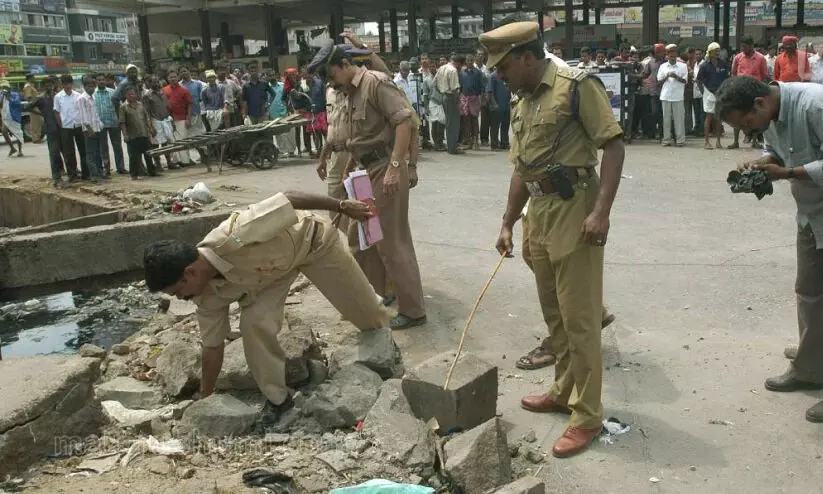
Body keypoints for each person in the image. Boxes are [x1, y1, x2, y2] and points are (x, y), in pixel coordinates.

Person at [481, 21, 625, 458]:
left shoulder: (576, 86)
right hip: (538, 215)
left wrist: (601, 213)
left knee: (580, 318)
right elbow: (522, 167)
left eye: (503, 66)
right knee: (556, 316)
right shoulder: (522, 98)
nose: (499, 75)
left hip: (574, 208)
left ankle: (587, 415)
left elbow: (613, 146)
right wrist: (508, 221)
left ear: (526, 56)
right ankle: (564, 390)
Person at [142, 191, 390, 417]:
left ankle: (385, 356)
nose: (179, 299)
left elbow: (290, 199)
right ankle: (279, 401)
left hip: (316, 244)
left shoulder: (235, 235)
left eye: (177, 292)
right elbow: (212, 347)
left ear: (190, 273)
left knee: (366, 311)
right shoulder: (204, 297)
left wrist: (342, 205)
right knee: (254, 324)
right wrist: (205, 397)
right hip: (271, 277)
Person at [714, 75, 823, 423]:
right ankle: (810, 367)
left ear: (759, 104)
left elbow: (792, 163)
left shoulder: (815, 105)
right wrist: (764, 161)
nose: (748, 130)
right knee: (809, 292)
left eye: (746, 123)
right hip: (812, 215)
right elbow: (777, 147)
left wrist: (787, 171)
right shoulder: (772, 113)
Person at [308, 41, 426, 331]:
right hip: (364, 170)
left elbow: (404, 123)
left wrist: (398, 166)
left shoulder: (375, 83)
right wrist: (351, 163)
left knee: (390, 241)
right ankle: (377, 294)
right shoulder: (348, 91)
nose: (332, 84)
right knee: (362, 237)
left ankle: (413, 310)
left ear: (345, 65)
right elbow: (355, 135)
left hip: (385, 168)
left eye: (333, 76)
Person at [24, 77, 65, 187]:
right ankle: (56, 177)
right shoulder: (41, 98)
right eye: (46, 84)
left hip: (62, 127)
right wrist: (41, 113)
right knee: (54, 153)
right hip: (51, 128)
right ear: (43, 86)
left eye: (50, 84)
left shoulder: (58, 96)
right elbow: (27, 106)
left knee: (65, 151)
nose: (49, 86)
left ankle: (66, 172)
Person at [730, 37, 769, 149]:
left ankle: (755, 141)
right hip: (740, 91)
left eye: (745, 46)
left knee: (755, 115)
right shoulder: (738, 57)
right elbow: (733, 74)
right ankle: (735, 141)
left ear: (752, 45)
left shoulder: (760, 58)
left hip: (755, 91)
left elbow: (764, 75)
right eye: (741, 46)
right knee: (736, 115)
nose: (743, 48)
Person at [696, 42, 729, 149]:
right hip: (708, 93)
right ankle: (706, 142)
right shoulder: (704, 65)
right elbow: (699, 80)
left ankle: (718, 142)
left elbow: (726, 79)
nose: (717, 52)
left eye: (718, 50)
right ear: (710, 52)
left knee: (719, 118)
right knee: (709, 117)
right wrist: (704, 92)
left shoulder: (723, 63)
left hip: (720, 93)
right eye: (715, 51)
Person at [119, 86, 157, 180]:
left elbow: (147, 118)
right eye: (129, 94)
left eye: (133, 93)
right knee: (134, 156)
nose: (131, 96)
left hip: (144, 133)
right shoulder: (123, 107)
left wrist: (151, 128)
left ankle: (151, 171)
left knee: (148, 154)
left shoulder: (140, 105)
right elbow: (122, 122)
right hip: (132, 135)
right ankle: (134, 174)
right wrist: (125, 135)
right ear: (125, 96)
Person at [93, 73, 126, 176]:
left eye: (103, 79)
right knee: (103, 147)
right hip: (101, 124)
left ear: (105, 80)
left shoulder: (113, 93)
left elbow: (119, 107)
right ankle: (106, 168)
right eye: (99, 80)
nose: (101, 81)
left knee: (117, 146)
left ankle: (121, 168)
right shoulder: (93, 95)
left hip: (113, 122)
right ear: (96, 81)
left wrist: (120, 120)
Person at [54, 74, 85, 179]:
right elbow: (56, 112)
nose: (68, 86)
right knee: (69, 152)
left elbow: (81, 109)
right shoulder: (58, 97)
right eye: (65, 84)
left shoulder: (78, 95)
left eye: (69, 84)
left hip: (78, 125)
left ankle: (86, 173)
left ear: (72, 84)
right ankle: (72, 174)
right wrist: (61, 125)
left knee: (83, 150)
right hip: (66, 127)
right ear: (62, 84)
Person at [142, 75, 177, 170]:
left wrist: (172, 122)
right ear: (149, 83)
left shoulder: (163, 93)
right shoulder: (147, 96)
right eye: (154, 82)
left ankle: (169, 162)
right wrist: (150, 127)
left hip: (166, 120)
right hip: (155, 121)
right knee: (155, 144)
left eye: (157, 82)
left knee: (167, 143)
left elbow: (168, 108)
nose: (156, 84)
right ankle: (158, 164)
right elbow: (147, 112)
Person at [657, 44, 688, 147]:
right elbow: (659, 81)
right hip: (665, 96)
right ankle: (666, 140)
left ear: (677, 55)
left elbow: (685, 81)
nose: (672, 58)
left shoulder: (683, 66)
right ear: (667, 56)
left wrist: (676, 76)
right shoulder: (663, 66)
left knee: (679, 119)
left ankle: (680, 140)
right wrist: (666, 76)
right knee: (666, 119)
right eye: (671, 56)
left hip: (678, 96)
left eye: (674, 56)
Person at [77, 76, 106, 182]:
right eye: (89, 86)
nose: (92, 88)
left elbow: (96, 114)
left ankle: (99, 172)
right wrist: (89, 128)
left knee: (98, 152)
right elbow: (83, 116)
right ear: (84, 87)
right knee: (90, 153)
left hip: (97, 128)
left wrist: (100, 126)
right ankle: (93, 175)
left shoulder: (93, 97)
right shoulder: (82, 99)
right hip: (89, 130)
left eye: (93, 86)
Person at [163, 69, 194, 166]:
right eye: (171, 77)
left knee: (183, 140)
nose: (173, 79)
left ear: (178, 78)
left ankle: (185, 161)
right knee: (172, 141)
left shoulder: (184, 89)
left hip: (182, 118)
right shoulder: (164, 90)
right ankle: (176, 161)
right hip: (169, 120)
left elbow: (189, 104)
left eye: (174, 77)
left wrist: (188, 118)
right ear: (168, 78)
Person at [435, 53, 463, 155]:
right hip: (451, 97)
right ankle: (452, 148)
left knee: (448, 123)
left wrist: (442, 92)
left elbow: (435, 83)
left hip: (444, 96)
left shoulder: (442, 68)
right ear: (458, 63)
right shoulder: (453, 70)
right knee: (453, 124)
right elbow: (455, 89)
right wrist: (457, 101)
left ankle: (451, 146)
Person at [458, 55, 484, 150]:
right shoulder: (462, 73)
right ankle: (469, 142)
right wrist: (460, 96)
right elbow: (460, 86)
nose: (469, 62)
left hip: (474, 98)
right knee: (466, 121)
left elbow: (482, 86)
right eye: (468, 60)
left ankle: (476, 141)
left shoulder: (478, 73)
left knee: (475, 120)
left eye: (471, 60)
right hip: (465, 99)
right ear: (466, 61)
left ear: (473, 61)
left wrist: (482, 98)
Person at [641, 44, 666, 140]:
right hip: (654, 92)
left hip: (666, 92)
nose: (660, 54)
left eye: (661, 52)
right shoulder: (650, 63)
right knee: (655, 113)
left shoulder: (667, 62)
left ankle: (663, 134)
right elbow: (645, 74)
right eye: (657, 53)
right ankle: (655, 132)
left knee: (664, 114)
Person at [423, 56, 446, 151]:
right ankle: (436, 143)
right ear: (428, 68)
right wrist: (426, 107)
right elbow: (425, 95)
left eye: (434, 66)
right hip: (432, 103)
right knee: (434, 123)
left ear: (437, 67)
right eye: (431, 67)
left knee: (442, 123)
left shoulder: (441, 78)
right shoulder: (426, 80)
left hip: (441, 103)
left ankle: (440, 142)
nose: (432, 68)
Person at [485, 66, 511, 150]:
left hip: (506, 104)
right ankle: (494, 144)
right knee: (495, 126)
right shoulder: (492, 76)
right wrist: (494, 104)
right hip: (496, 105)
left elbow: (509, 89)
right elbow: (489, 92)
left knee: (505, 125)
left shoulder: (506, 76)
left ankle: (504, 143)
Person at [179, 66, 206, 137]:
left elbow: (201, 98)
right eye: (181, 72)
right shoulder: (179, 85)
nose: (183, 73)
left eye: (185, 71)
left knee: (200, 133)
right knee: (189, 134)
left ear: (189, 72)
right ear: (179, 74)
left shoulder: (198, 84)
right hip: (184, 114)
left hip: (196, 112)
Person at [0, 79, 23, 158]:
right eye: (2, 87)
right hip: (6, 118)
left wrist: (8, 97)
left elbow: (16, 103)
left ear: (9, 87)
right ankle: (12, 148)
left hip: (14, 117)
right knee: (4, 132)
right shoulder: (1, 95)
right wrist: (3, 96)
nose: (4, 88)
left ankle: (20, 151)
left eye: (5, 87)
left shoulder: (15, 94)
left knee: (18, 134)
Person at [23, 74, 42, 143]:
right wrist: (34, 102)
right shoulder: (28, 86)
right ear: (30, 78)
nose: (34, 78)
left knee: (37, 122)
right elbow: (29, 97)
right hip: (33, 105)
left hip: (35, 105)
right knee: (35, 122)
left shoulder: (31, 85)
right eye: (33, 77)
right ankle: (35, 138)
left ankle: (37, 137)